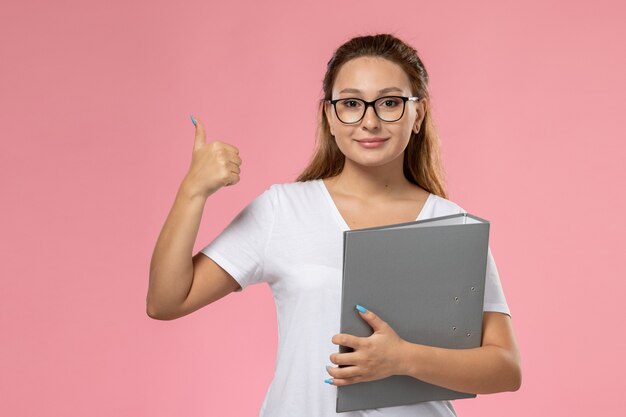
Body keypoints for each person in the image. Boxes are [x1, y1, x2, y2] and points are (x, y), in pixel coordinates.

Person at [147, 33, 522, 417]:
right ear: (329, 115)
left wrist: (403, 359)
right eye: (351, 104)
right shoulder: (283, 209)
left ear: (418, 114)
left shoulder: (451, 224)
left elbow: (505, 368)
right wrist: (192, 192)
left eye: (390, 103)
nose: (369, 121)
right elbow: (166, 301)